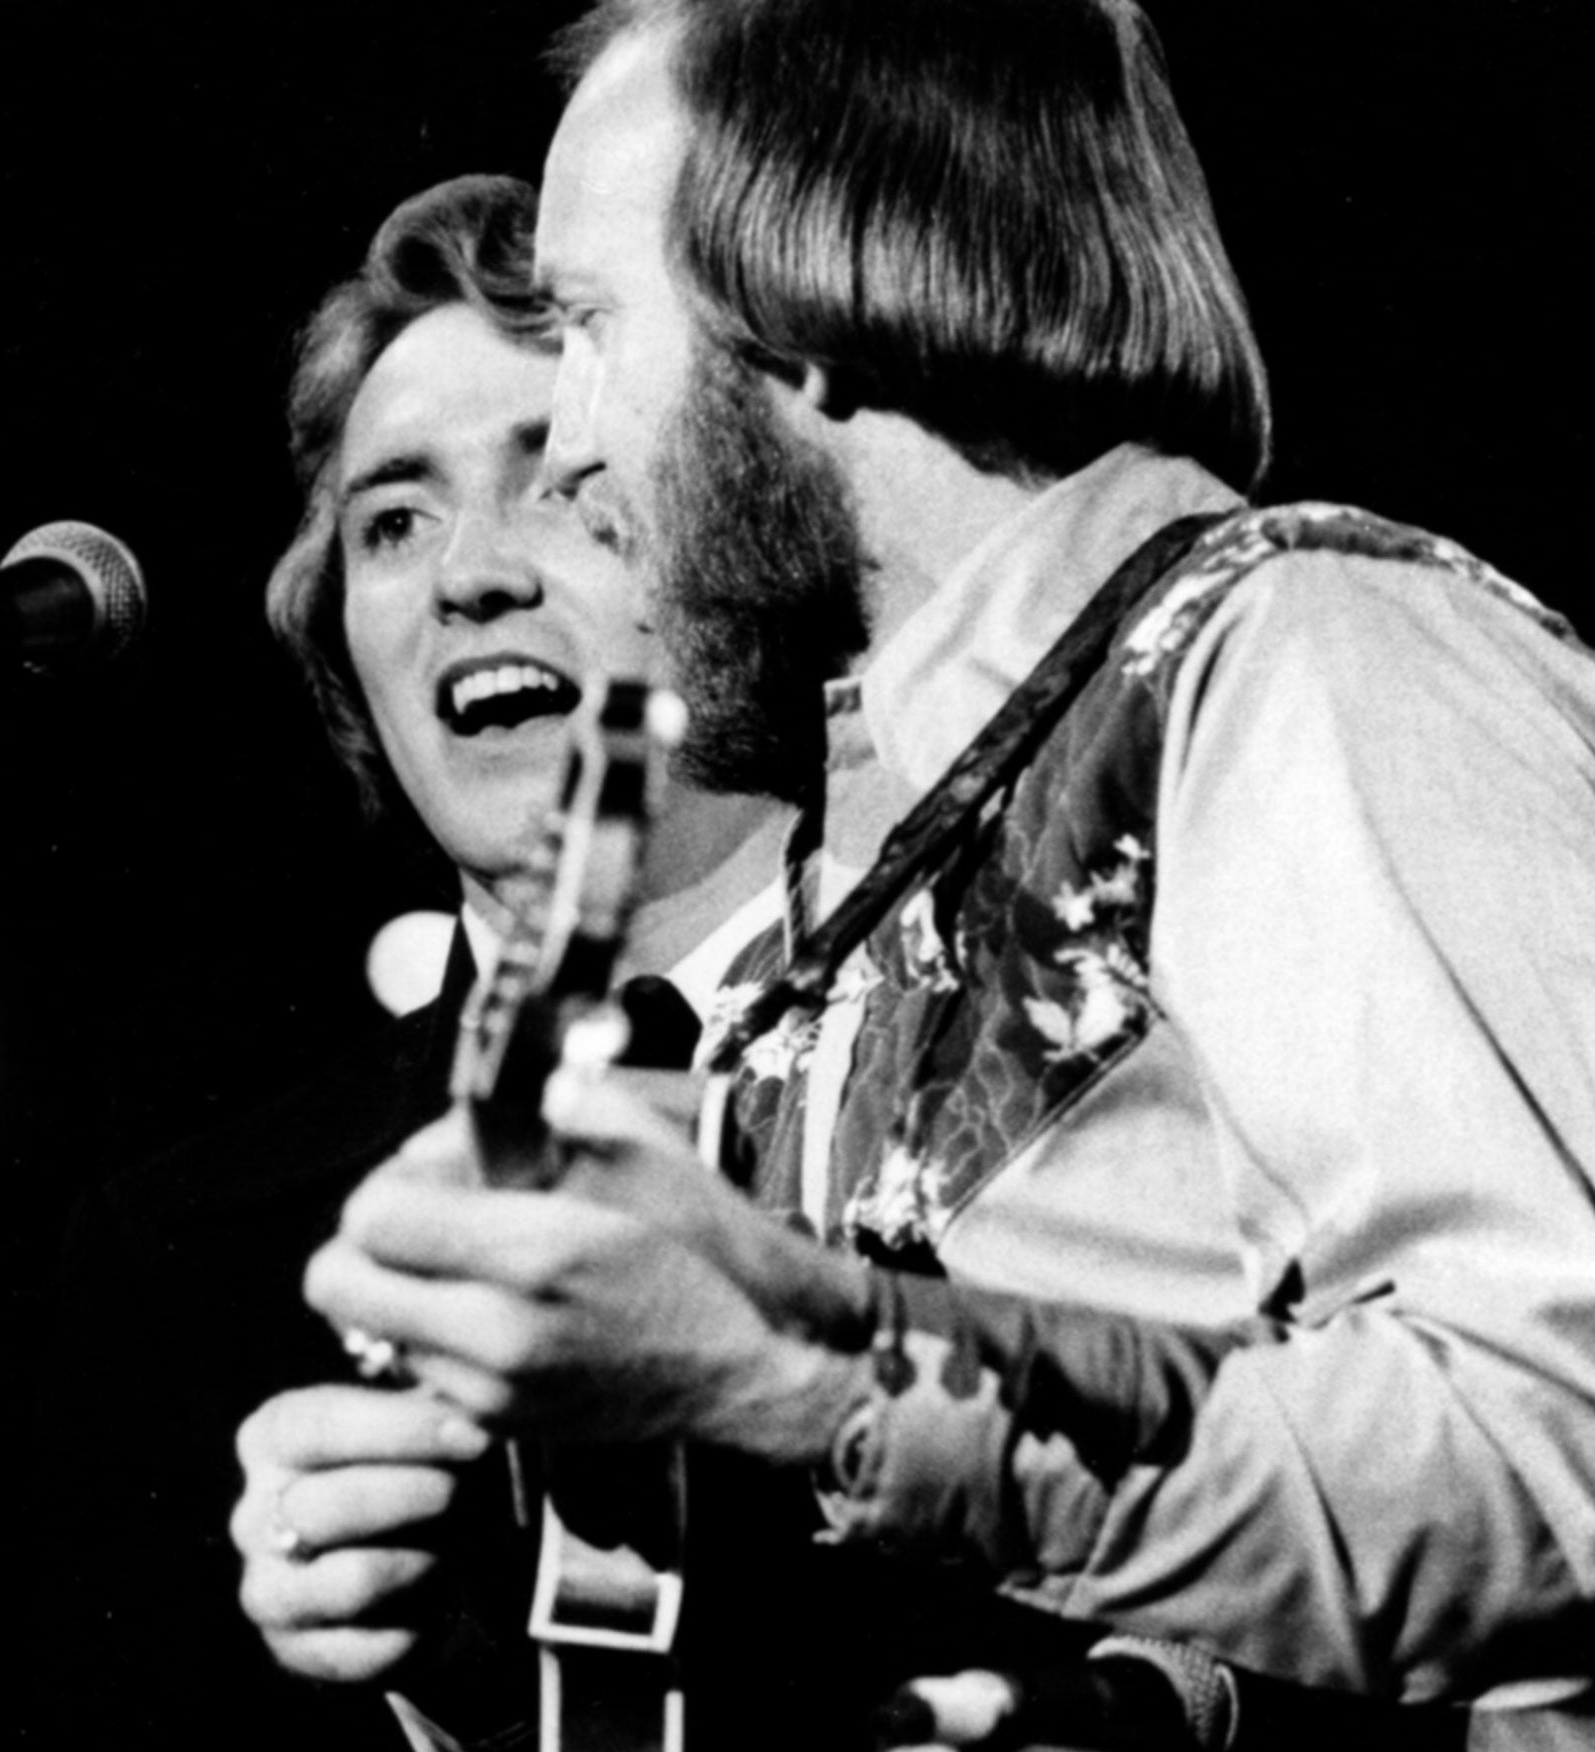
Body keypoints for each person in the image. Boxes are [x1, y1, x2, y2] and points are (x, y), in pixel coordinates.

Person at [288, 2, 1595, 1748]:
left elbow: (1559, 1446)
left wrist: (795, 1377)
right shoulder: (871, 889)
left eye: (599, 331)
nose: (581, 456)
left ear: (811, 288)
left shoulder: (1298, 655)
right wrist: (496, 1617)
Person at [55, 173, 789, 1749]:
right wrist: (444, 1694)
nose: (471, 575)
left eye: (563, 486)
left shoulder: (1032, 1086)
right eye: (396, 521)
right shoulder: (187, 1253)